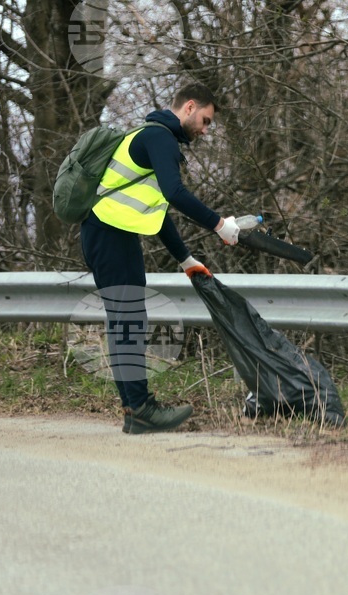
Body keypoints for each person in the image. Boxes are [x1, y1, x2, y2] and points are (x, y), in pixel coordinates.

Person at [82, 82, 243, 435]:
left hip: (110, 233)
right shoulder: (159, 138)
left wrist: (186, 260)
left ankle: (134, 409)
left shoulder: (152, 137)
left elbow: (158, 209)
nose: (204, 130)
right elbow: (175, 193)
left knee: (126, 317)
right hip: (109, 232)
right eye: (205, 120)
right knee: (128, 318)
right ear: (189, 107)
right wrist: (219, 225)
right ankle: (140, 408)